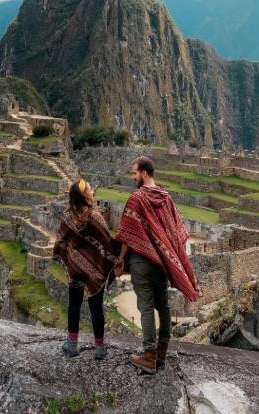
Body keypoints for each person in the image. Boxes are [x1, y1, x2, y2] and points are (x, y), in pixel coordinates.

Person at [114, 155, 200, 374]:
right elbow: (178, 232)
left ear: (144, 173)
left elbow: (126, 234)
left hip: (141, 262)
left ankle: (149, 355)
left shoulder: (137, 199)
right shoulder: (166, 198)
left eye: (134, 173)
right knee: (163, 306)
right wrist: (167, 253)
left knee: (145, 307)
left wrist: (120, 258)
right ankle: (162, 352)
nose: (133, 177)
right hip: (161, 262)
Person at [53, 178, 118, 358]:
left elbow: (61, 241)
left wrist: (70, 257)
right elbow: (107, 243)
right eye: (89, 189)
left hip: (75, 269)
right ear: (84, 195)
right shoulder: (95, 217)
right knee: (96, 307)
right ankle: (99, 348)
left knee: (73, 304)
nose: (92, 191)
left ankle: (72, 345)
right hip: (94, 271)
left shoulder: (67, 217)